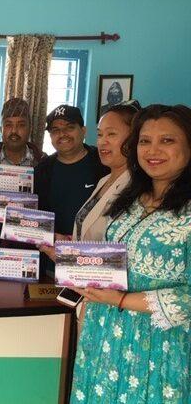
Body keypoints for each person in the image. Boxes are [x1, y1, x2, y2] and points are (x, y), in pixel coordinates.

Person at [70, 104, 191, 403]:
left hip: (156, 349)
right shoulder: (133, 198)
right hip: (103, 337)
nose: (153, 150)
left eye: (167, 140)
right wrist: (76, 267)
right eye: (145, 140)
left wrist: (122, 300)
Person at [34, 105, 108, 272]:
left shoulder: (103, 164)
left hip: (96, 263)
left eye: (69, 127)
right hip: (52, 262)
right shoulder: (42, 170)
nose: (62, 134)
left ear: (83, 131)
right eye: (55, 130)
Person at [0, 98, 45, 167]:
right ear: (1, 129)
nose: (14, 130)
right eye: (8, 125)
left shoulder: (44, 163)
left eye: (21, 125)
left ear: (30, 129)